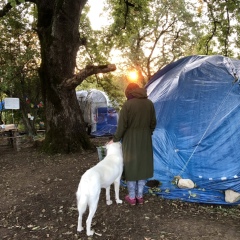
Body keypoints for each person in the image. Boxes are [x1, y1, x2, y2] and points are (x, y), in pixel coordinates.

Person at [110, 83, 156, 206]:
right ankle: (140, 197)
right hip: (145, 139)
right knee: (142, 166)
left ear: (129, 92)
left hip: (130, 140)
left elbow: (121, 127)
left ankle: (131, 197)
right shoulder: (149, 103)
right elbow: (153, 123)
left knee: (131, 166)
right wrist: (147, 133)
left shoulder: (127, 105)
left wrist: (115, 139)